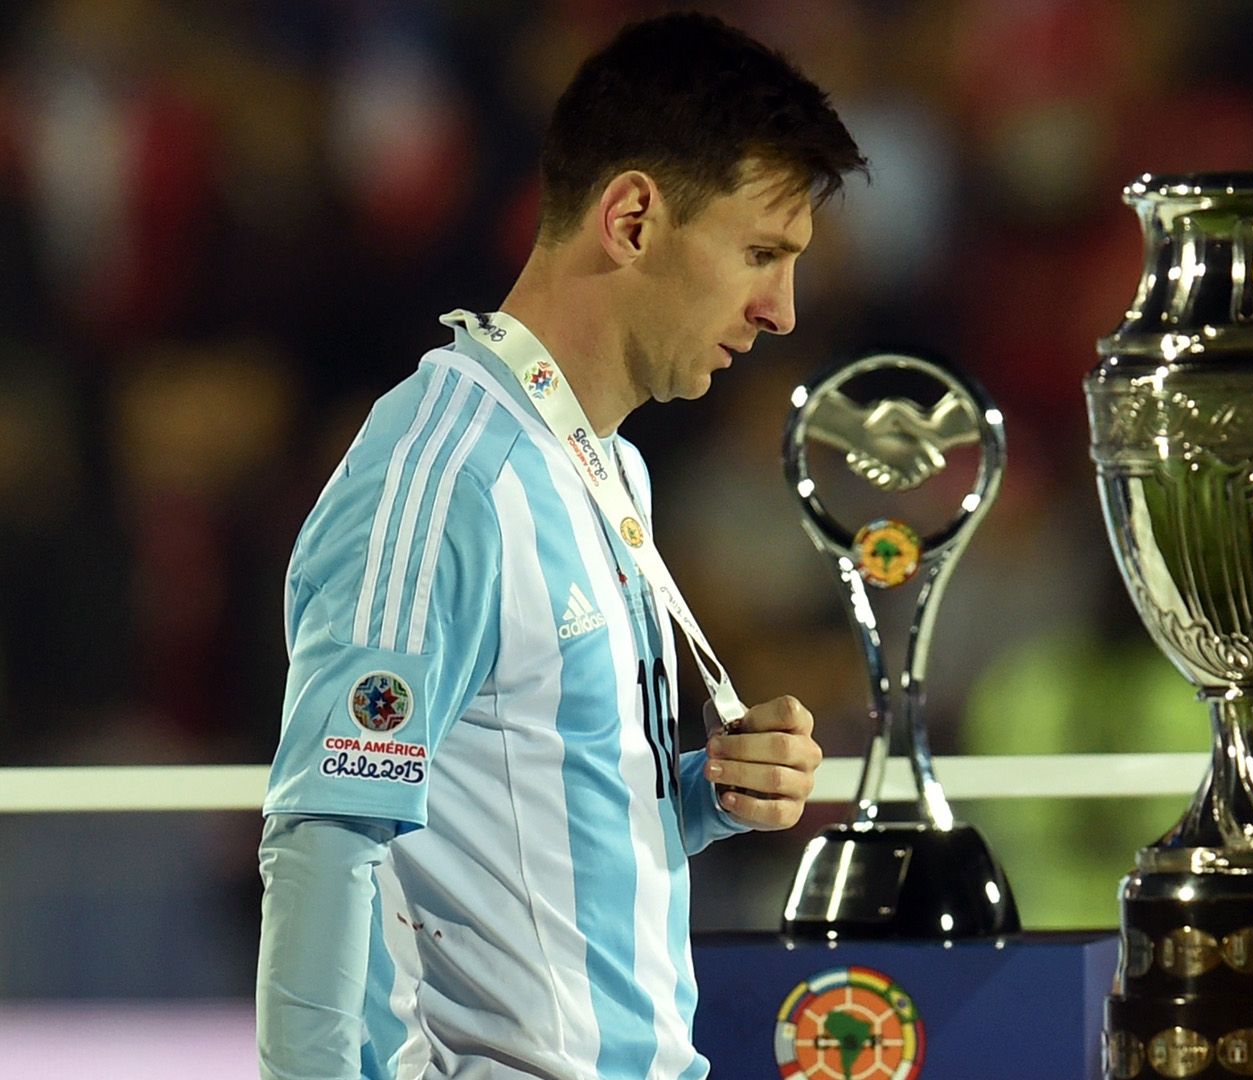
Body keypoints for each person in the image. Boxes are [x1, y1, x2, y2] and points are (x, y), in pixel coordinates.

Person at [255, 14, 865, 1079]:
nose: (782, 311)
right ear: (631, 218)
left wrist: (701, 796)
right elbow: (326, 839)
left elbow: (524, 814)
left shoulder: (606, 468)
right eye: (762, 254)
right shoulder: (444, 478)